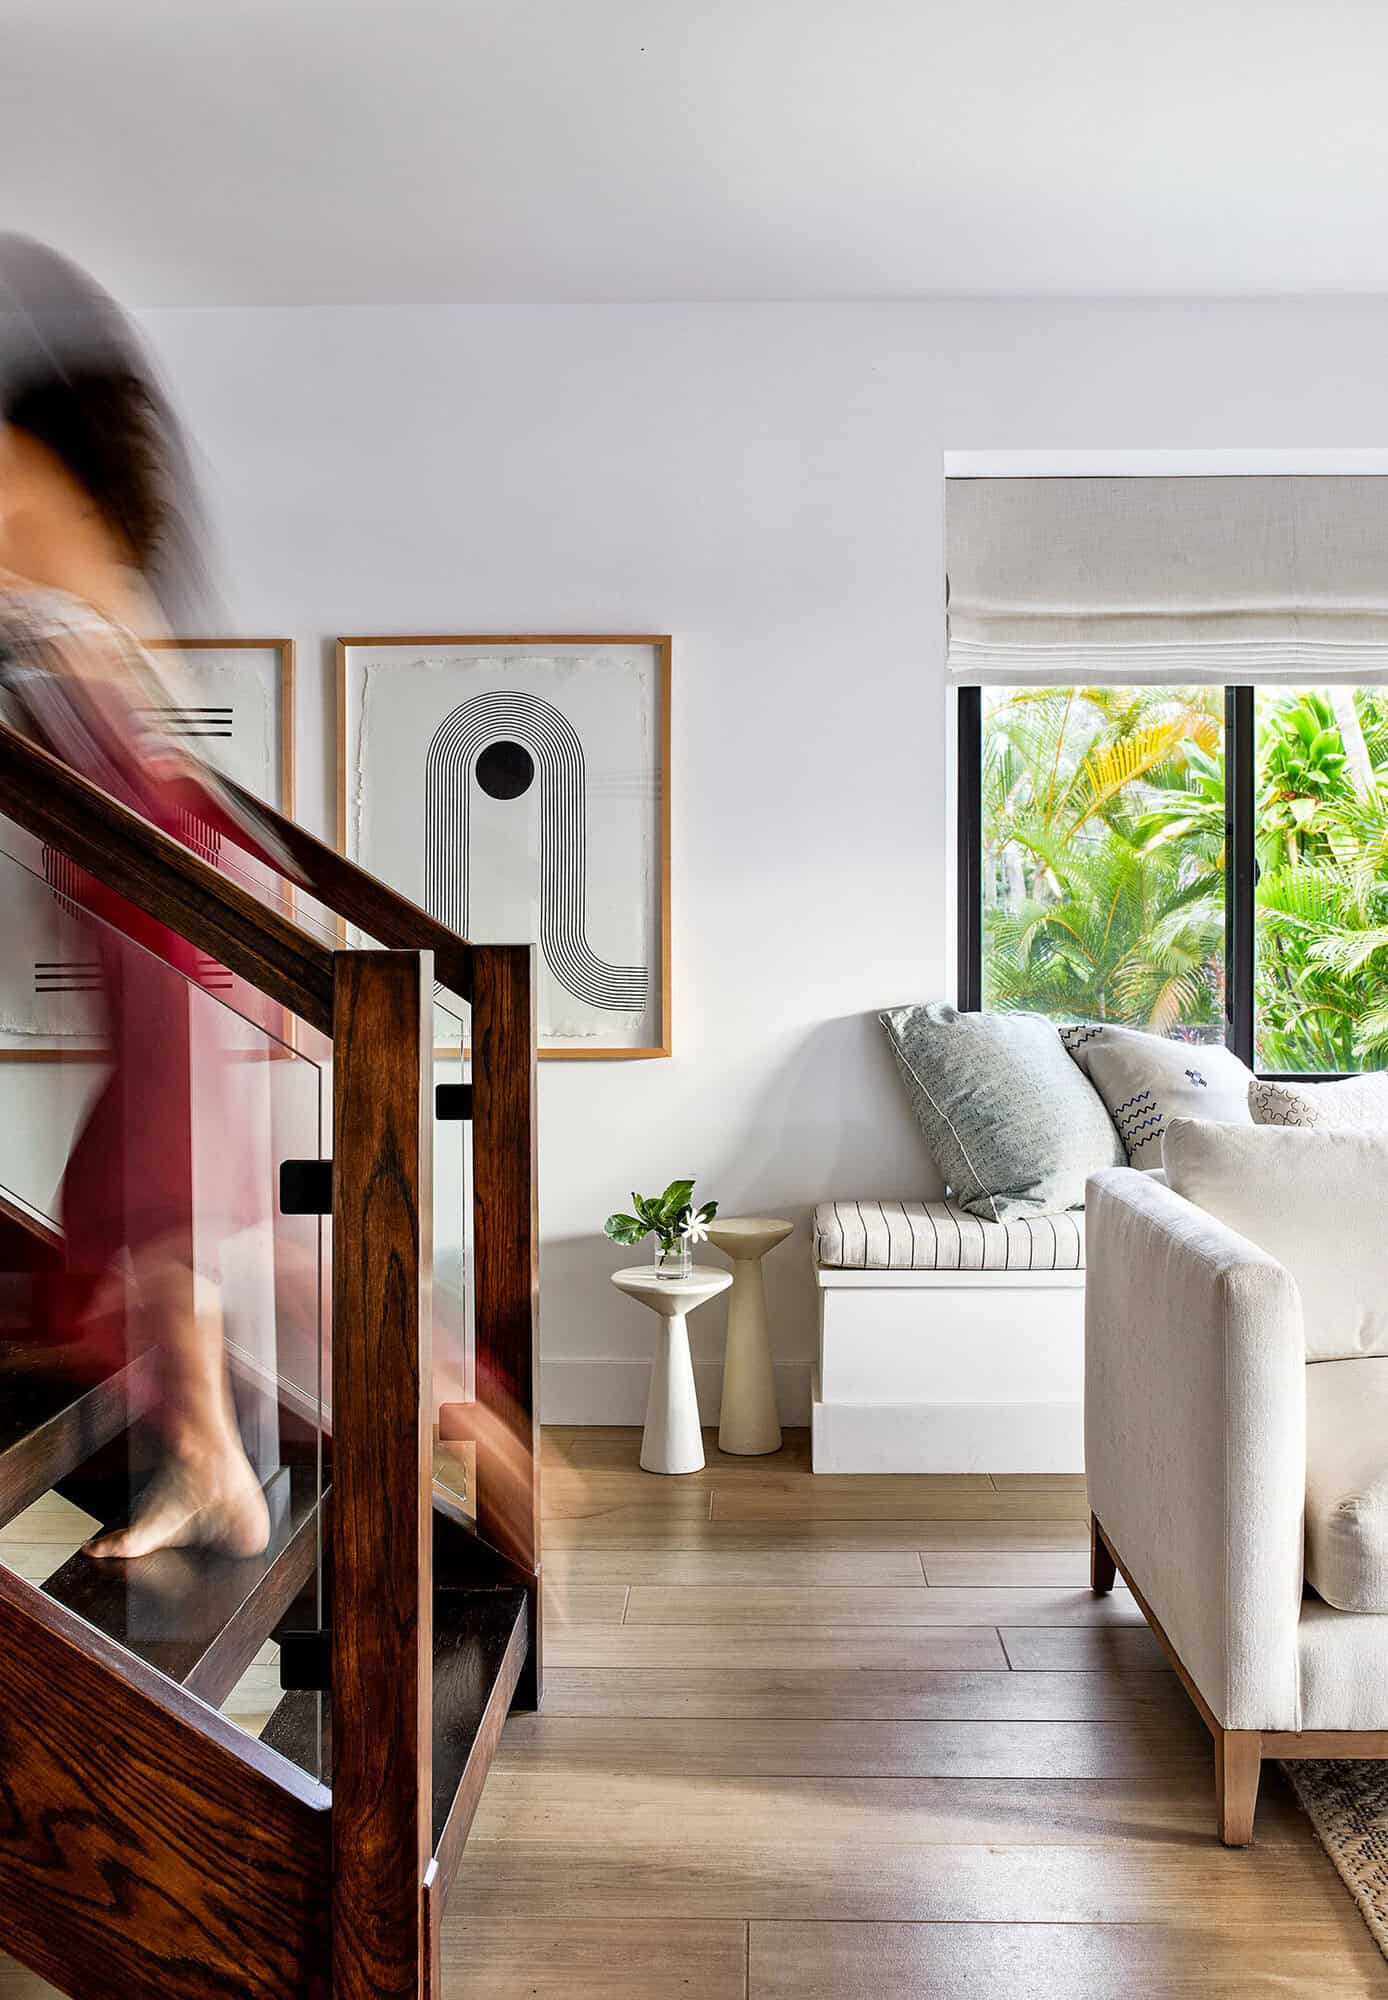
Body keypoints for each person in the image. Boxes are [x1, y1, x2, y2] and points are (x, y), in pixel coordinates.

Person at [0, 237, 294, 1559]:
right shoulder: (102, 588)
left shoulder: (52, 548)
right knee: (156, 1207)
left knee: (150, 1200)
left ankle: (213, 1464)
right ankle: (210, 1460)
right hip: (147, 891)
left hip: (145, 891)